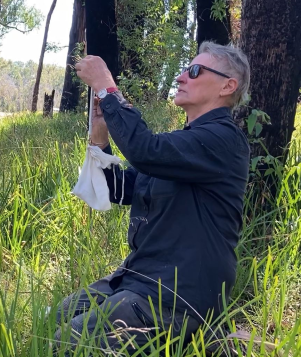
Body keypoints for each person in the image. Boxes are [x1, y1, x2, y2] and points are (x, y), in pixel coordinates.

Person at [54, 41, 251, 355]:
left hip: (177, 294)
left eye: (195, 70)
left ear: (228, 86)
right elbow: (121, 190)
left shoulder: (223, 140)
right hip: (141, 278)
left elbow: (144, 151)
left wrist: (106, 86)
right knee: (60, 314)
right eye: (185, 69)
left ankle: (203, 337)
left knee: (70, 340)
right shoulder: (183, 144)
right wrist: (100, 137)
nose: (181, 77)